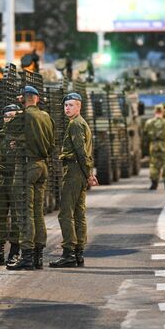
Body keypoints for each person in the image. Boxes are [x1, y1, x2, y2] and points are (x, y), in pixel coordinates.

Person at [7, 85, 55, 271]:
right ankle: (38, 256)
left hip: (27, 166)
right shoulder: (46, 117)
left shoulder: (25, 116)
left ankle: (26, 255)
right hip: (42, 165)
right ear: (37, 98)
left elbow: (9, 128)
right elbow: (52, 143)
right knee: (37, 212)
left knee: (24, 211)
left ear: (24, 98)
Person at [50, 93, 98, 268]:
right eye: (65, 105)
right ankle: (78, 252)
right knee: (79, 213)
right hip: (80, 170)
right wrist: (88, 173)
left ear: (79, 107)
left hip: (73, 170)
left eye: (71, 105)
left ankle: (69, 252)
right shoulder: (81, 123)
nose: (67, 108)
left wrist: (88, 173)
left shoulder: (76, 125)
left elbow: (81, 151)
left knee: (65, 213)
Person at [0, 104, 21, 266]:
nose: (9, 118)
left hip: (17, 179)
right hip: (3, 180)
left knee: (16, 218)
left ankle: (14, 252)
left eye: (12, 115)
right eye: (7, 116)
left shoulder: (22, 135)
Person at [143, 104, 165, 191]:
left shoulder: (149, 122)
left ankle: (154, 184)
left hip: (154, 145)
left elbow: (145, 135)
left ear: (155, 112)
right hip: (164, 145)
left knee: (153, 165)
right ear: (163, 112)